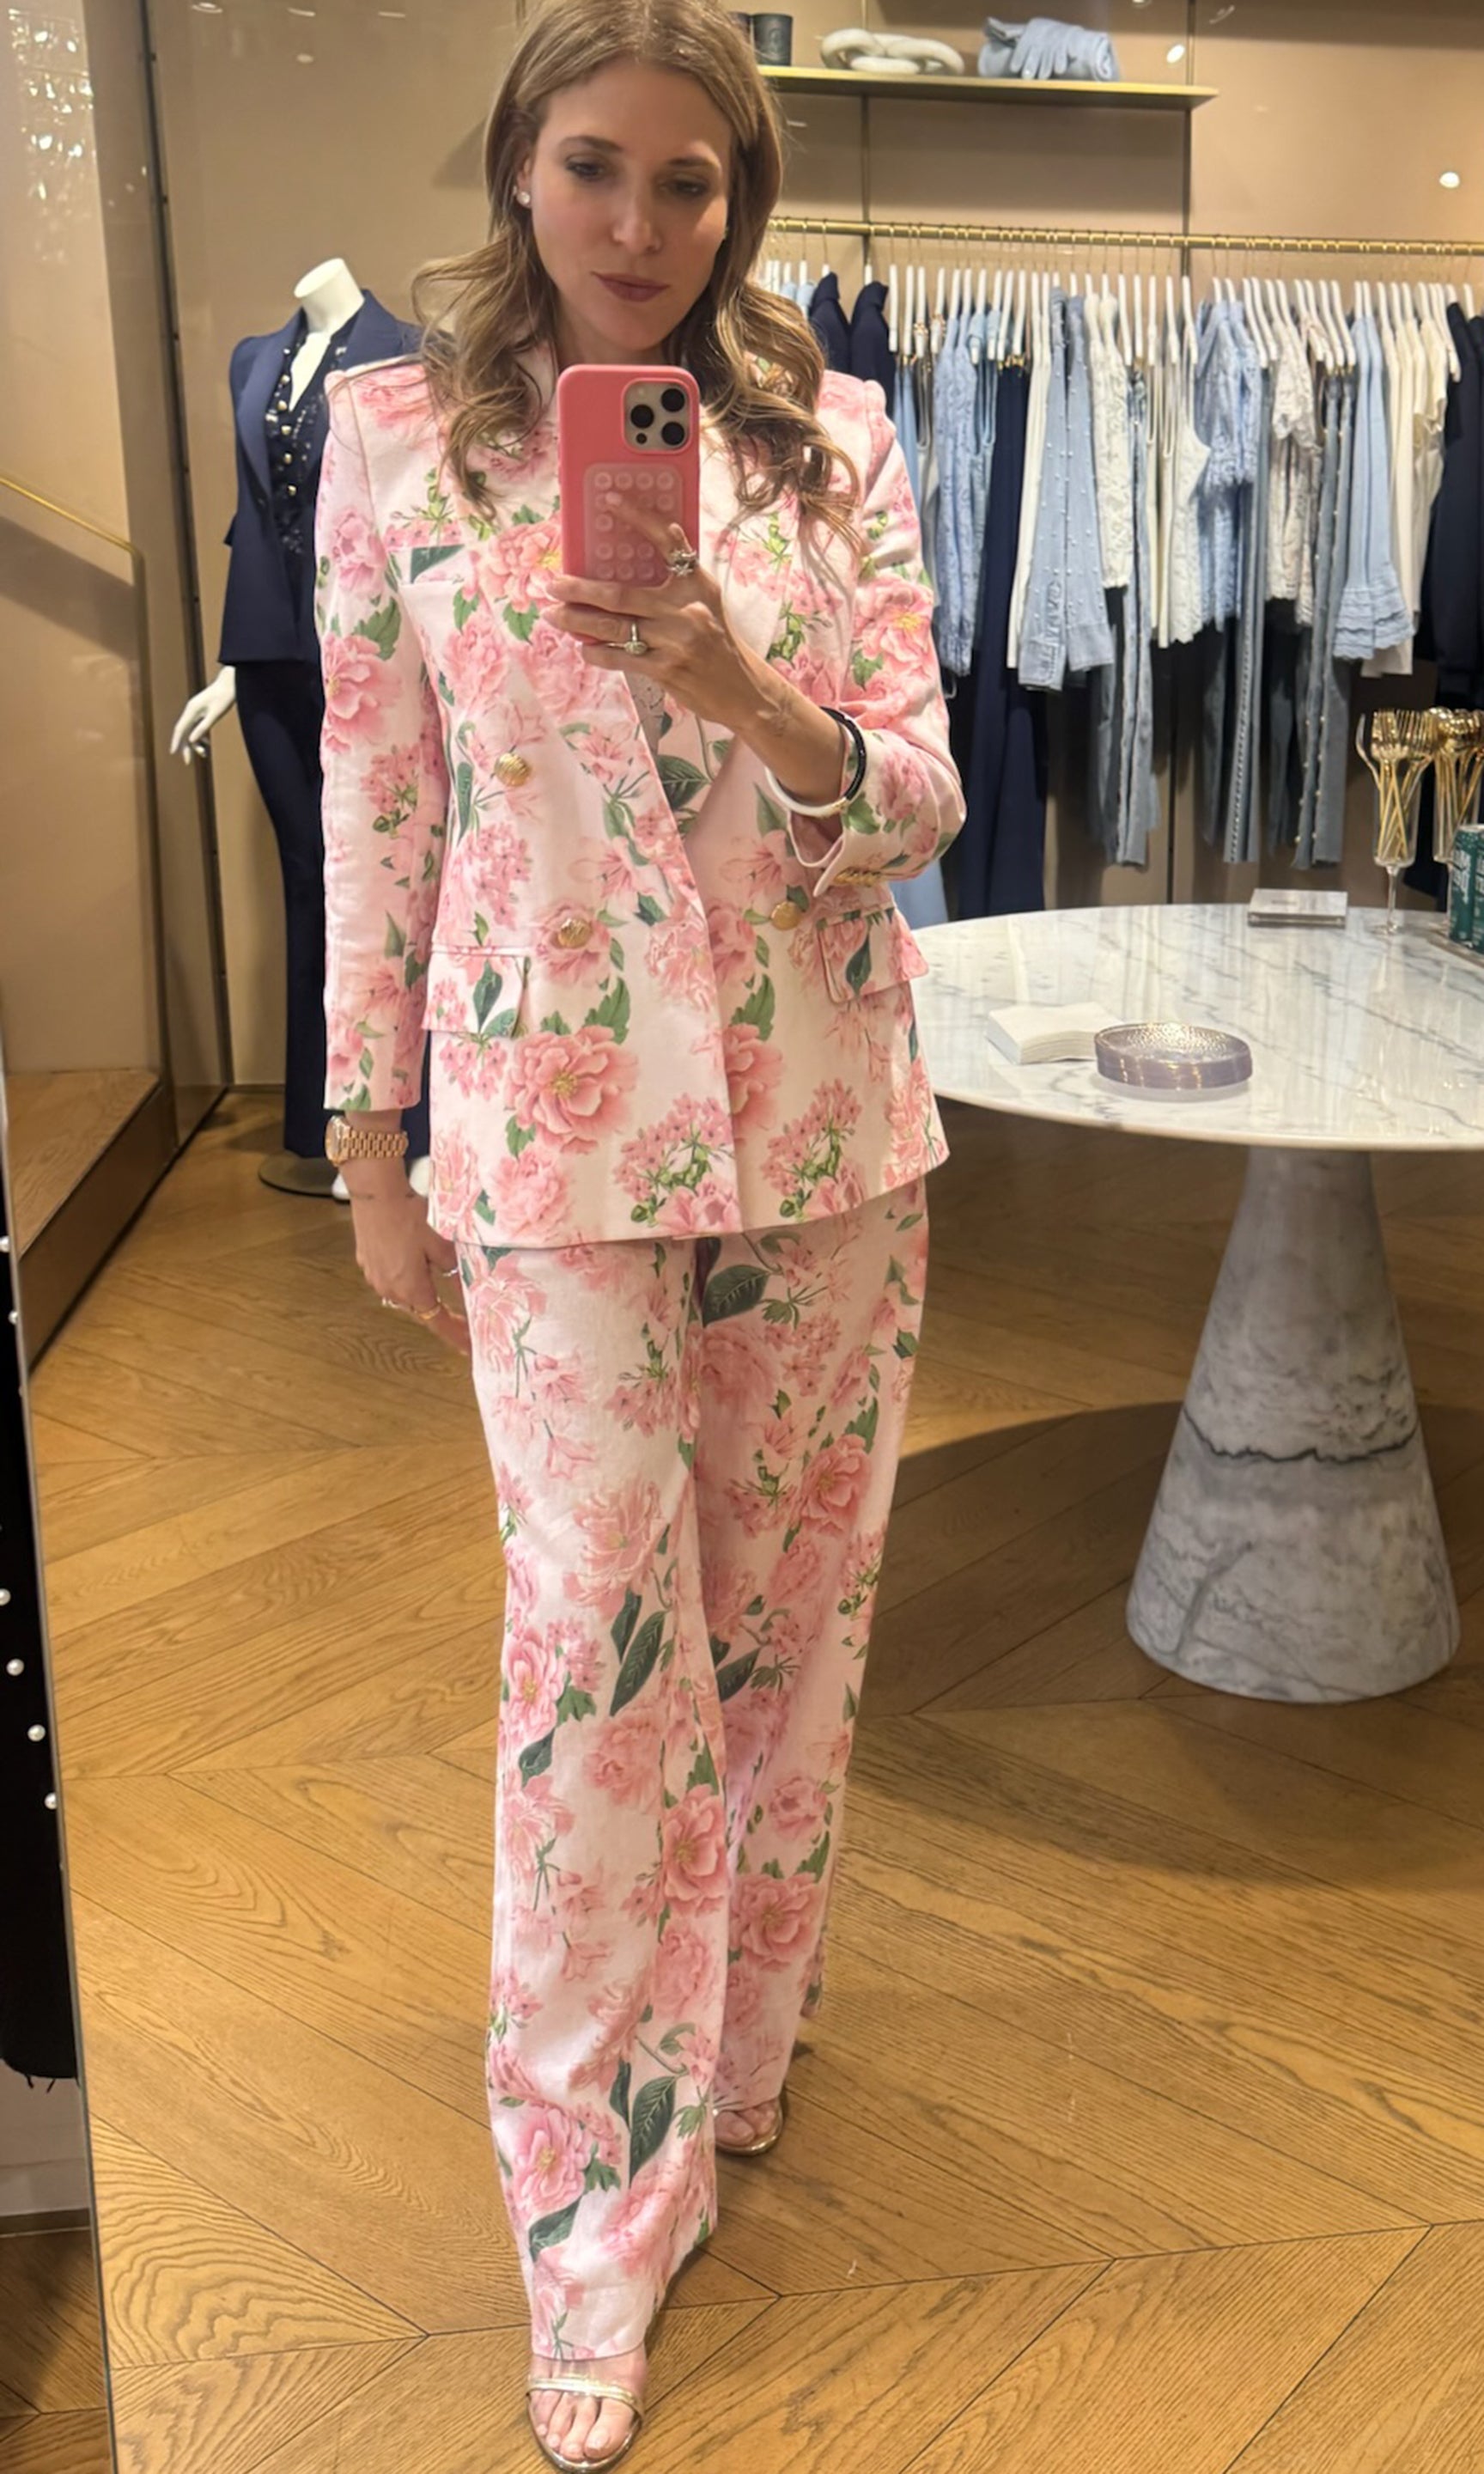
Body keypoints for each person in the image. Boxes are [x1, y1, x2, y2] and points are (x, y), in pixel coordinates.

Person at [313, 1, 964, 2463]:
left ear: (741, 203)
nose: (640, 222)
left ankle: (740, 2048)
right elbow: (379, 811)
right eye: (597, 165)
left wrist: (747, 685)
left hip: (827, 1132)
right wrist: (364, 1141)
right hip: (552, 1152)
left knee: (788, 1632)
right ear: (521, 165)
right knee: (596, 1662)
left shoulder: (833, 441)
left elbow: (920, 794)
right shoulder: (397, 444)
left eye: (691, 183)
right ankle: (591, 2193)